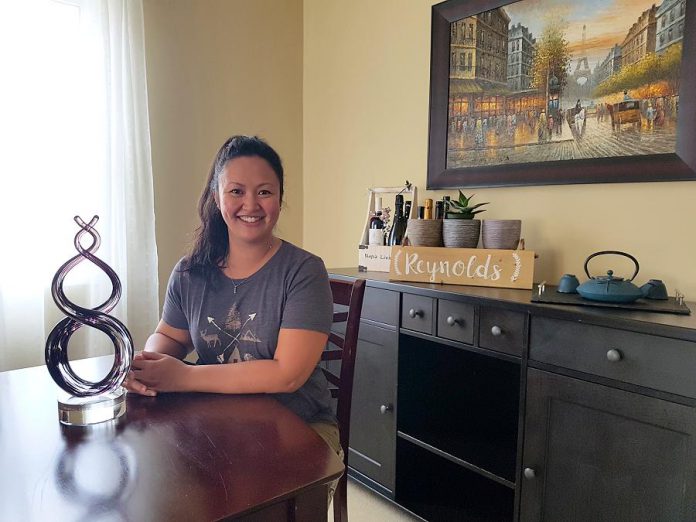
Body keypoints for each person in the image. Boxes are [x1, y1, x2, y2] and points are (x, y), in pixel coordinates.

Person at [124, 135, 341, 462]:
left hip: (301, 425)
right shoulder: (190, 271)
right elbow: (169, 335)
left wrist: (183, 376)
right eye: (236, 191)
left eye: (264, 192)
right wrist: (149, 367)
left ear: (280, 199)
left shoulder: (304, 271)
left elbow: (288, 374)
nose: (251, 205)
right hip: (218, 419)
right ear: (217, 196)